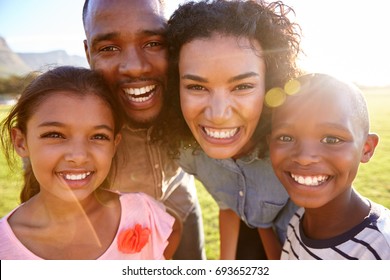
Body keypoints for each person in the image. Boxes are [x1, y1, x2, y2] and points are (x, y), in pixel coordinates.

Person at [165, 0, 301, 259]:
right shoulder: (190, 152)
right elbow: (230, 206)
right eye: (196, 87)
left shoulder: (296, 152)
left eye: (242, 87)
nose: (218, 114)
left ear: (270, 85)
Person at [0, 66, 174, 260]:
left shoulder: (142, 213)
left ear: (114, 144)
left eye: (98, 136)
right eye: (55, 135)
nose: (79, 156)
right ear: (20, 141)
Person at [82, 0, 205, 259]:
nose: (135, 66)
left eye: (153, 43)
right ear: (88, 53)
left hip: (182, 205)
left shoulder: (192, 94)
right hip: (116, 230)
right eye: (109, 48)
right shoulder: (73, 117)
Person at [269, 73, 390, 259]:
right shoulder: (297, 221)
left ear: (366, 149)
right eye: (286, 137)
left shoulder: (381, 250)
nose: (304, 158)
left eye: (331, 139)